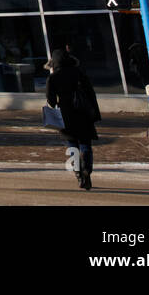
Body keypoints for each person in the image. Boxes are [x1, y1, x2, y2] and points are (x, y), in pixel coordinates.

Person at [45, 49, 101, 190]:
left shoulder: (53, 77)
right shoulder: (79, 73)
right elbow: (90, 93)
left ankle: (78, 173)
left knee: (71, 145)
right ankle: (87, 170)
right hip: (83, 113)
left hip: (65, 114)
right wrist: (94, 112)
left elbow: (51, 100)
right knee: (85, 144)